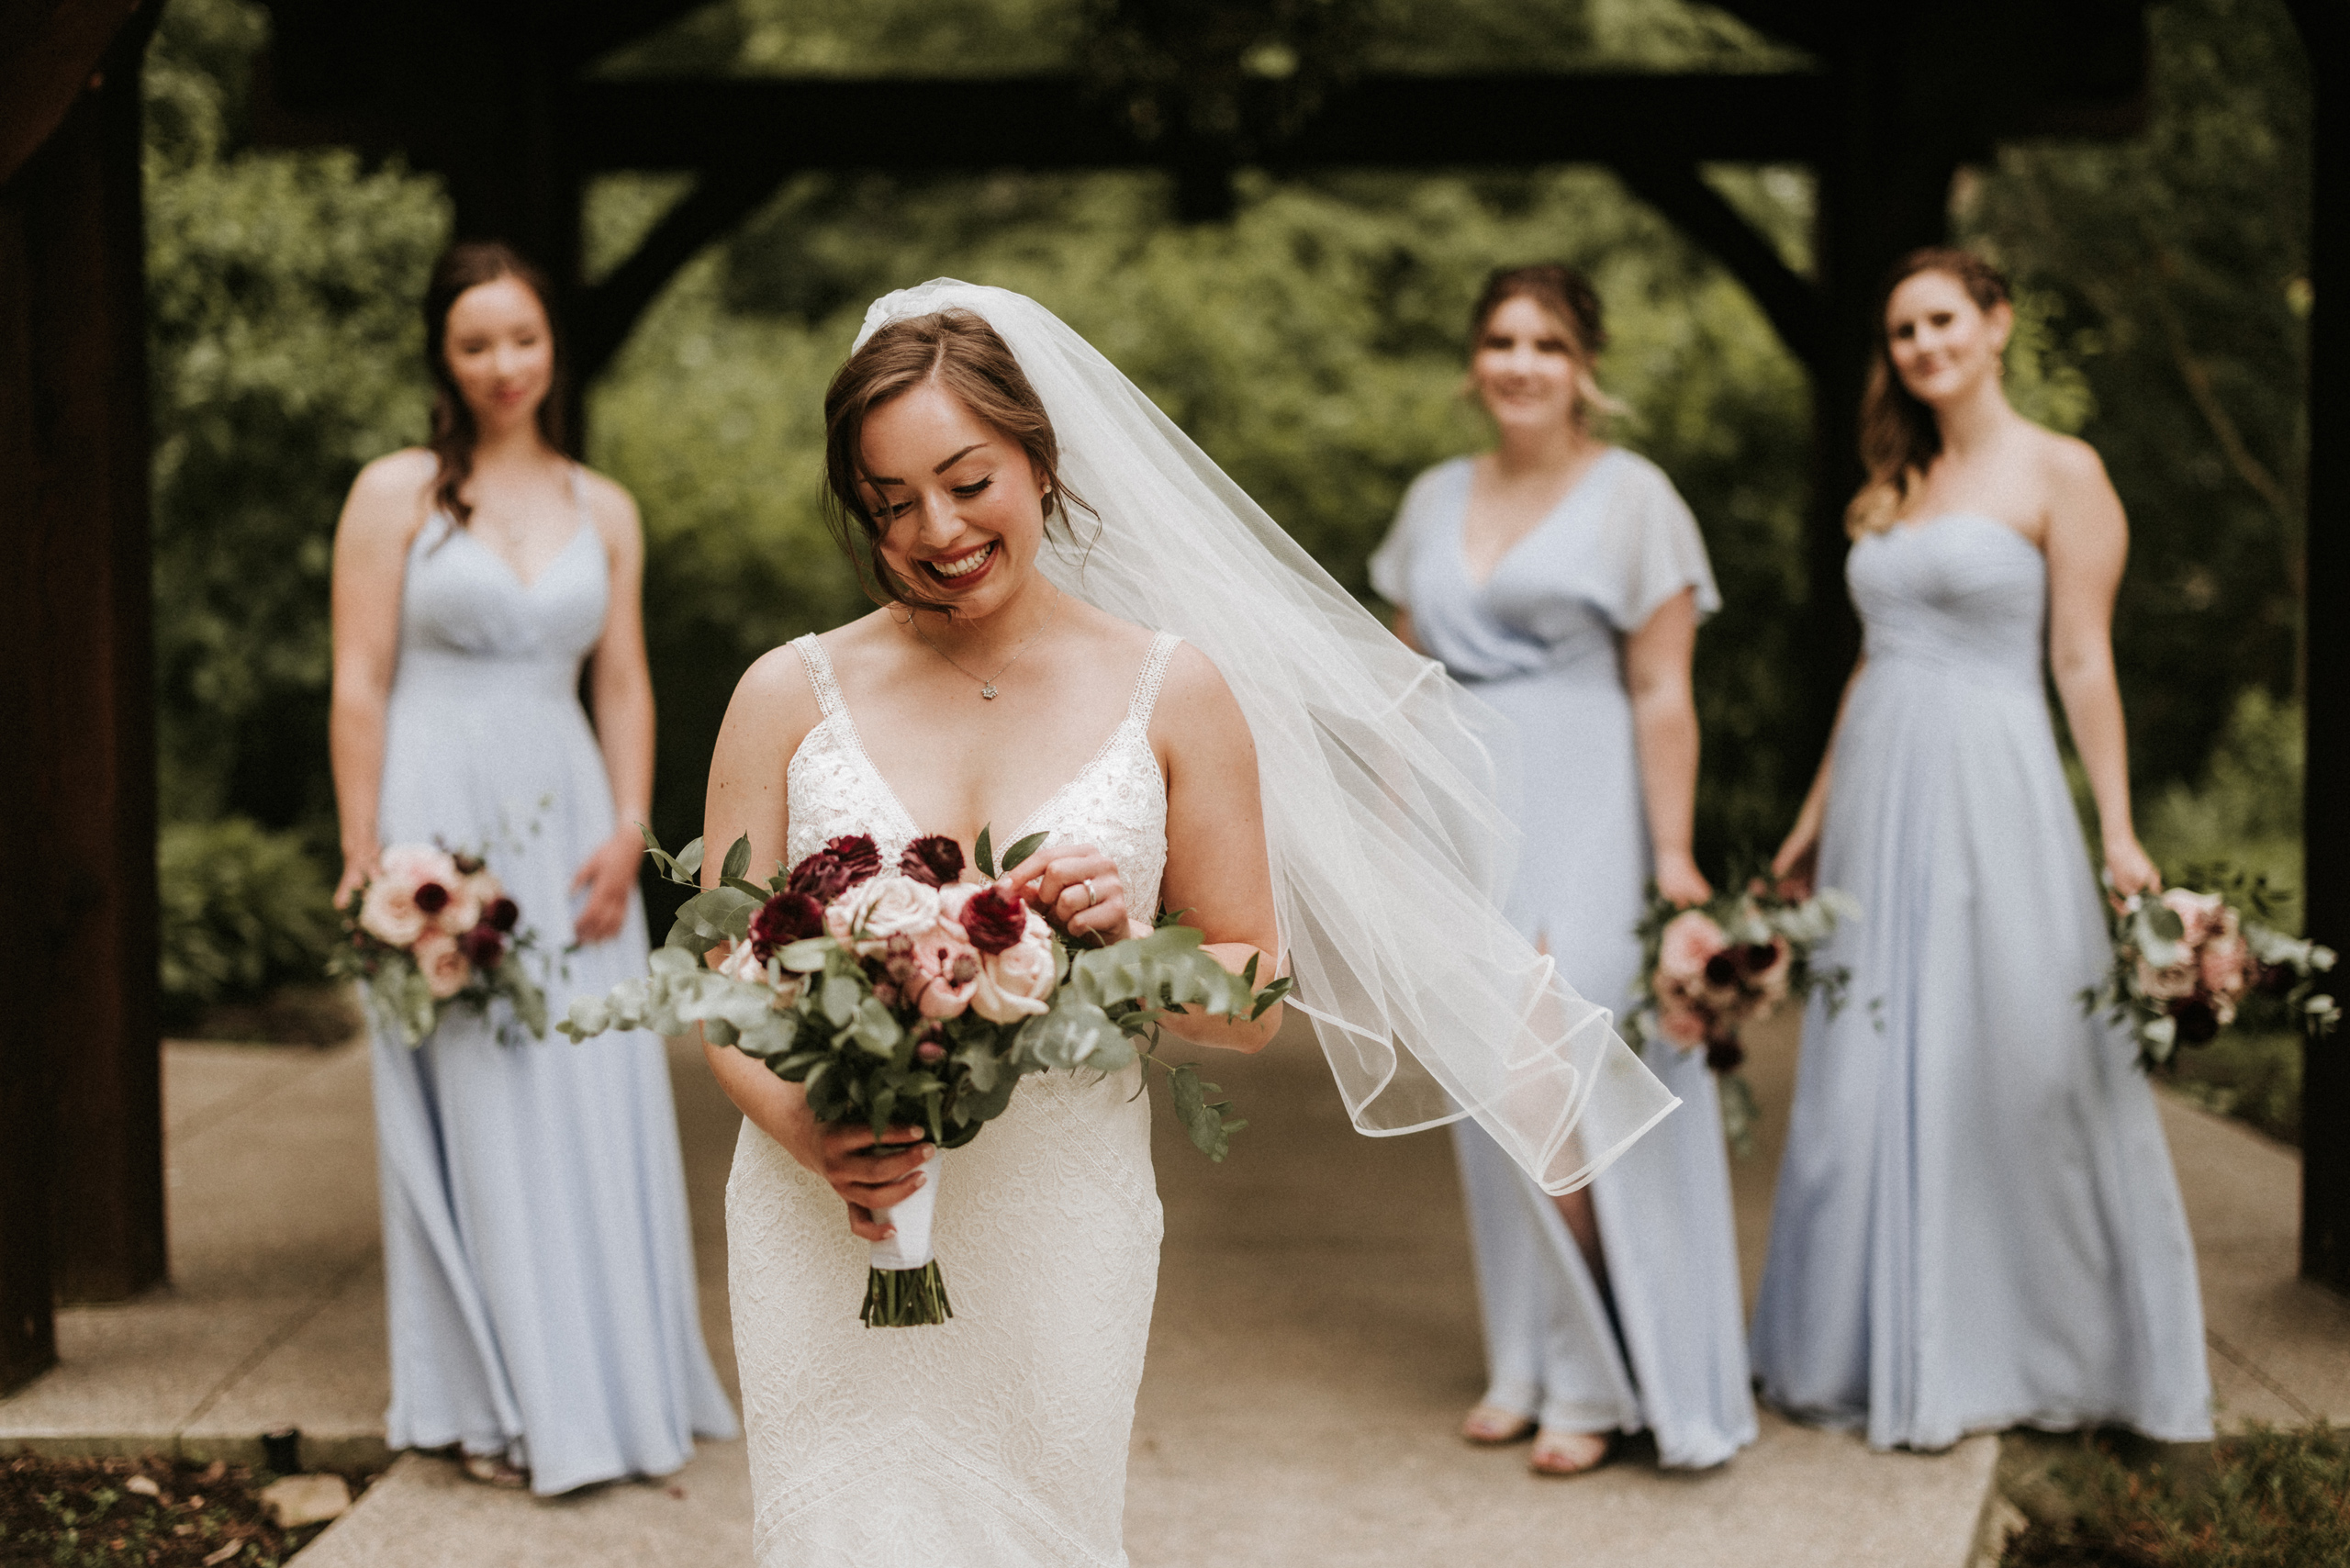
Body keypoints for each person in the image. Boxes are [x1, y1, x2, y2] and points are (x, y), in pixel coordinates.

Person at [699, 281, 1678, 1564]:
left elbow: (1251, 996)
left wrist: (1114, 957)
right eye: (890, 504)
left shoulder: (1176, 690)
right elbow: (722, 976)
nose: (936, 531)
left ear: (1040, 459)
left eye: (967, 480)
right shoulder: (787, 694)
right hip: (826, 1213)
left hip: (1061, 1215)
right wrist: (806, 1126)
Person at [1751, 247, 2211, 1450]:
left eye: (1943, 320)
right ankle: (1863, 1342)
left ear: (1996, 323)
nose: (1923, 345)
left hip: (1992, 784)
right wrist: (1809, 822)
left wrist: (2117, 826)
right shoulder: (1896, 481)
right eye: (1903, 329)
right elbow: (1870, 663)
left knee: (2018, 1058)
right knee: (1866, 1064)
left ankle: (2048, 1346)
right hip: (1877, 797)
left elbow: (2081, 659)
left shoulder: (2064, 471)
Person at [329, 240, 737, 1493]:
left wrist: (629, 828)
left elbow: (622, 679)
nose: (504, 365)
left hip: (572, 838)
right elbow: (359, 677)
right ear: (441, 358)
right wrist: (363, 859)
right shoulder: (394, 492)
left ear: (553, 345)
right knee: (477, 1101)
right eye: (474, 343)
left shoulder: (603, 506)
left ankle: (601, 1385)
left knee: (582, 1091)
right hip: (435, 825)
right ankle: (488, 1400)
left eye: (523, 338)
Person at [1370, 263, 1755, 1474]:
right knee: (1493, 1080)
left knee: (1569, 1064)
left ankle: (1607, 1376)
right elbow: (1402, 688)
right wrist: (1386, 833)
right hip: (1470, 806)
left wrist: (1678, 857)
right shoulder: (1434, 495)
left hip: (1589, 793)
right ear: (1474, 361)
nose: (1520, 362)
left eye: (1545, 341)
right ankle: (1528, 1360)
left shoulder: (1637, 498)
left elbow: (1662, 688)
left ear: (1584, 364)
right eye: (1499, 339)